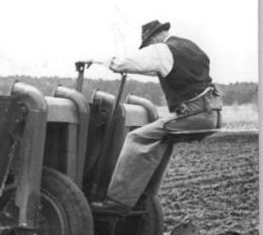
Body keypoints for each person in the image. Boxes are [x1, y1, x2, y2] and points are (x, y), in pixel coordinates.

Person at [90, 20, 222, 214]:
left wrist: (99, 60)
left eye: (148, 45)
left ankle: (117, 201)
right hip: (213, 114)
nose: (149, 49)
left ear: (153, 37)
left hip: (194, 113)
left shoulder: (162, 49)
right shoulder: (190, 48)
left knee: (136, 138)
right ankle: (144, 197)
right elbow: (160, 70)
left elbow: (124, 63)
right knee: (162, 140)